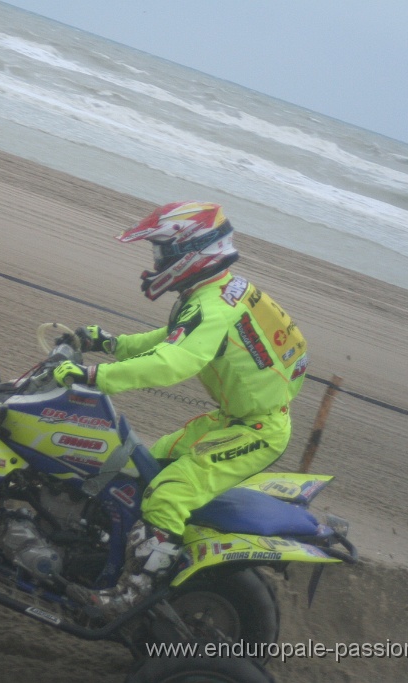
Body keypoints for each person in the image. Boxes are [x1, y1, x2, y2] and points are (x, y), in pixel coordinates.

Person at [53, 201, 309, 618]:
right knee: (142, 464)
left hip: (255, 431)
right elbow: (174, 337)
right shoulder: (219, 290)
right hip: (234, 419)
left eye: (161, 253)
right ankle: (117, 549)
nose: (156, 262)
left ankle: (131, 595)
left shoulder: (214, 307)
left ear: (190, 254)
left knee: (168, 494)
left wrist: (94, 376)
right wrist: (113, 343)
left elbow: (175, 361)